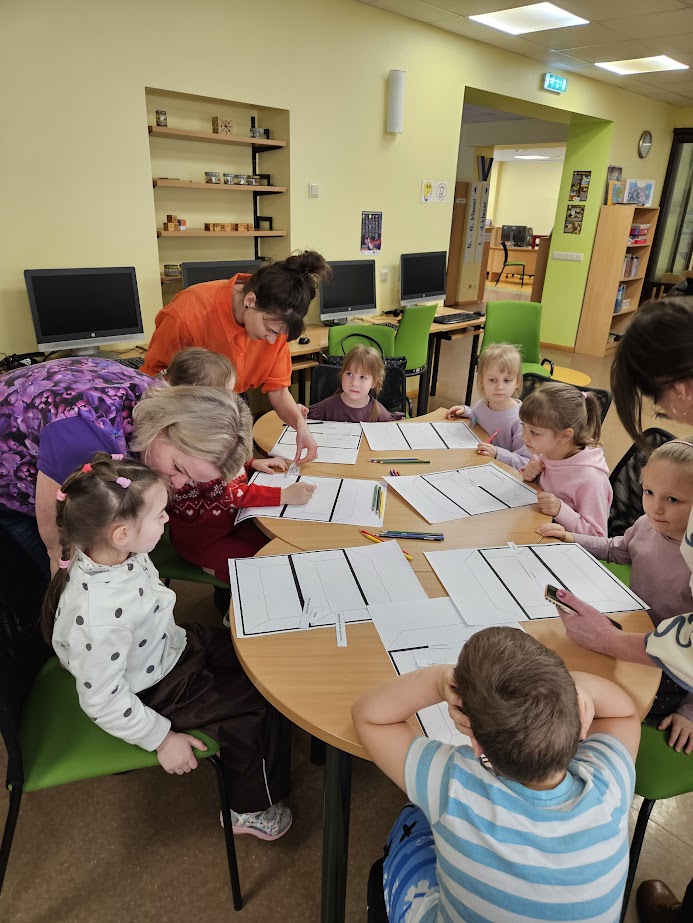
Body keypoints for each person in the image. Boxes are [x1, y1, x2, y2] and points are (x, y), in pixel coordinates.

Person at [45, 453, 292, 840]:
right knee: (256, 706)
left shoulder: (113, 549)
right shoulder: (100, 617)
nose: (167, 519)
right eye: (160, 515)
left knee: (253, 653)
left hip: (167, 645)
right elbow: (102, 701)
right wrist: (160, 738)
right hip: (153, 685)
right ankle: (250, 809)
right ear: (121, 534)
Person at [556, 297, 693, 921]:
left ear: (678, 385)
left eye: (660, 403)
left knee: (581, 703)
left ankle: (568, 822)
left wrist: (611, 643)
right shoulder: (648, 526)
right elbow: (618, 544)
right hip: (654, 644)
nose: (670, 413)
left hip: (670, 675)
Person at [352, 626, 640, 922]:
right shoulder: (610, 784)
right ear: (580, 719)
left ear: (475, 744)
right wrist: (569, 689)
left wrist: (438, 681)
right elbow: (624, 713)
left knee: (413, 817)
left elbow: (369, 716)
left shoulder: (454, 784)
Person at [0, 356, 251, 579]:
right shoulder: (87, 442)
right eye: (178, 467)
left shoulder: (164, 402)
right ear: (165, 427)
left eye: (191, 479)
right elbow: (58, 546)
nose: (177, 484)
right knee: (49, 578)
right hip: (9, 481)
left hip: (50, 432)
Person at [539, 439, 693, 750]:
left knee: (598, 701)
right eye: (648, 492)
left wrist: (689, 710)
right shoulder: (646, 525)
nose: (656, 507)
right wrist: (572, 538)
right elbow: (616, 549)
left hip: (668, 663)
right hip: (632, 628)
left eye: (673, 499)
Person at [140, 251, 332, 464]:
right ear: (250, 300)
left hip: (231, 403)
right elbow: (151, 382)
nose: (272, 341)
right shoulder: (186, 315)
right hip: (182, 410)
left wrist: (301, 426)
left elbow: (278, 391)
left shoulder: (276, 324)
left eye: (279, 335)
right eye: (269, 330)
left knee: (234, 468)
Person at [163, 348, 315, 583]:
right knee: (259, 567)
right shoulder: (187, 450)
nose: (234, 398)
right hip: (203, 541)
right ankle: (219, 581)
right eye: (227, 392)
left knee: (275, 547)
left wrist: (251, 463)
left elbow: (226, 470)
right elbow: (228, 493)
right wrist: (283, 495)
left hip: (232, 522)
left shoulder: (207, 428)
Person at [519, 381, 611, 536]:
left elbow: (597, 537)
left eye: (534, 432)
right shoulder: (545, 451)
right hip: (535, 527)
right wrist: (528, 474)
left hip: (558, 543)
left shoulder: (591, 479)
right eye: (523, 426)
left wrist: (561, 510)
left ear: (565, 436)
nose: (524, 436)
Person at [446, 342, 529, 469]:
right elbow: (476, 416)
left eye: (507, 380)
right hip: (477, 464)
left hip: (502, 472)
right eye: (492, 380)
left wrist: (497, 453)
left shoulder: (521, 420)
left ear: (517, 382)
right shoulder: (483, 404)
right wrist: (465, 411)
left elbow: (525, 462)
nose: (499, 387)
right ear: (482, 381)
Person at [307, 345, 404, 423]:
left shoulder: (378, 412)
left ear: (374, 382)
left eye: (363, 377)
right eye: (349, 374)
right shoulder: (327, 407)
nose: (354, 383)